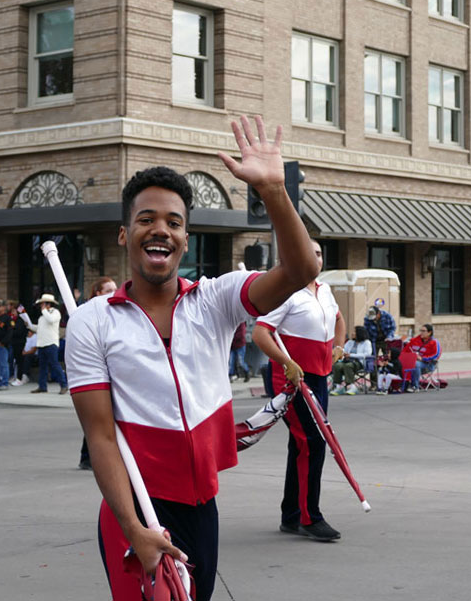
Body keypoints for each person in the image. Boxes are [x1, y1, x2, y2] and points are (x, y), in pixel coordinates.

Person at [66, 116, 318, 600]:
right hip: (136, 506)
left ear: (186, 238)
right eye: (146, 219)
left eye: (174, 223)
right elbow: (99, 435)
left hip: (202, 506)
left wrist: (273, 191)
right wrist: (134, 529)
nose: (160, 230)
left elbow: (301, 267)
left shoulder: (217, 299)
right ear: (124, 235)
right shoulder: (92, 321)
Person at [254, 238, 346, 542]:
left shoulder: (325, 290)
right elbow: (260, 333)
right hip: (291, 381)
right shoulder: (285, 293)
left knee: (302, 444)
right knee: (314, 443)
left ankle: (292, 514)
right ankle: (310, 517)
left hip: (319, 377)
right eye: (309, 252)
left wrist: (339, 345)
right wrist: (286, 362)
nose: (315, 258)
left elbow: (338, 319)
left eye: (319, 253)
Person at [78, 277, 117, 471]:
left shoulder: (118, 313)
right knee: (97, 416)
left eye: (115, 289)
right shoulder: (88, 315)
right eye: (108, 290)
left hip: (115, 370)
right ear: (98, 293)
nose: (113, 292)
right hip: (96, 372)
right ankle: (87, 456)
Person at [29, 294, 66, 394]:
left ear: (48, 304)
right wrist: (29, 325)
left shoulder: (55, 313)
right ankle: (42, 386)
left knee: (55, 364)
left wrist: (44, 310)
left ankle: (64, 385)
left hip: (51, 343)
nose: (41, 306)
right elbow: (39, 328)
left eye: (43, 304)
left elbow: (51, 320)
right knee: (43, 367)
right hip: (42, 344)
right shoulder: (42, 317)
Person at [331, 326, 372, 395]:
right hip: (347, 361)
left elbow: (367, 354)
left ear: (359, 333)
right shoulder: (350, 342)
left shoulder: (366, 343)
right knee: (337, 365)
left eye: (354, 332)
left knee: (348, 366)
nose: (352, 333)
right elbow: (344, 350)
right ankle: (339, 386)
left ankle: (352, 387)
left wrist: (351, 355)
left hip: (359, 362)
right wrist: (341, 352)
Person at [9, 300, 28, 385]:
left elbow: (18, 332)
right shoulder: (13, 320)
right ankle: (14, 376)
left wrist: (11, 329)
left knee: (20, 361)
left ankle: (20, 378)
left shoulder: (20, 320)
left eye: (14, 311)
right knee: (14, 361)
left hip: (20, 342)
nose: (12, 313)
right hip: (14, 343)